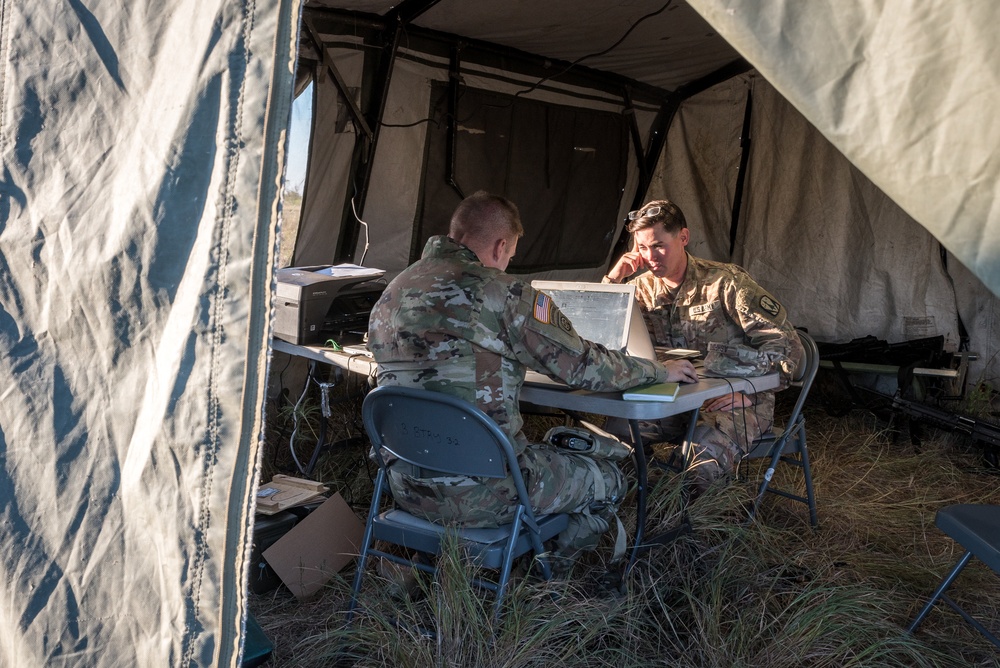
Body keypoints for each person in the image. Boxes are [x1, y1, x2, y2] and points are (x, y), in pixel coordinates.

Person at [367, 191, 696, 570]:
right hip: (487, 493)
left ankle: (433, 563)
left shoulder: (392, 293)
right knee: (610, 476)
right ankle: (549, 577)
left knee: (542, 448)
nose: (508, 261)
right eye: (510, 254)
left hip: (405, 485)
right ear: (500, 245)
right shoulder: (503, 293)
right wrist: (657, 370)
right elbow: (583, 366)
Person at [603, 198, 804, 494]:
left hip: (733, 401)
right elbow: (601, 336)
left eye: (658, 245)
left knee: (699, 457)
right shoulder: (641, 287)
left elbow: (786, 343)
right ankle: (640, 505)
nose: (650, 256)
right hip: (672, 400)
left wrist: (751, 390)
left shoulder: (725, 283)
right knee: (616, 435)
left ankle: (697, 531)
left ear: (684, 237)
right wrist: (613, 279)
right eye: (642, 248)